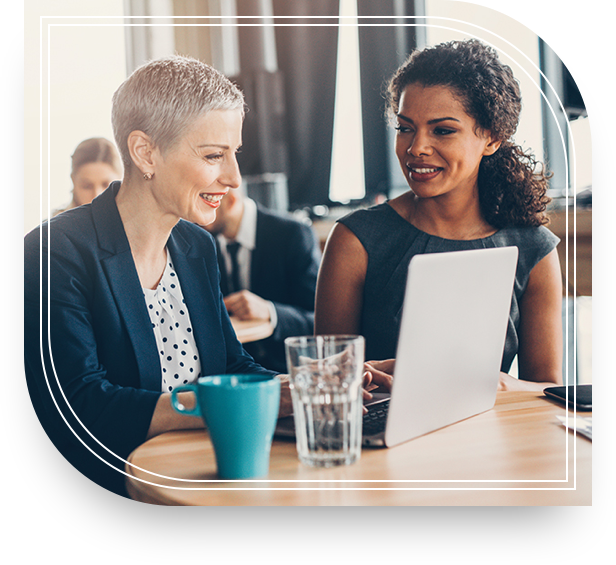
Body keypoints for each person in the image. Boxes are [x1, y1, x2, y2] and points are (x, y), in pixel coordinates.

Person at [24, 55, 292, 499]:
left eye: (234, 155)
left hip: (201, 470)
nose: (234, 177)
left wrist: (309, 385)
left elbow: (229, 365)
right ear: (145, 152)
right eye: (213, 155)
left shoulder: (196, 247)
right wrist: (237, 404)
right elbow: (81, 405)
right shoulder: (53, 252)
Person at [315, 40, 563, 392]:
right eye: (405, 128)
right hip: (383, 440)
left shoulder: (533, 247)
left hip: (495, 439)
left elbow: (547, 389)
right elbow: (326, 385)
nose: (416, 148)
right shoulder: (356, 241)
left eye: (442, 130)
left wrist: (500, 385)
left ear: (491, 138)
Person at [204, 185, 321, 373]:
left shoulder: (293, 235)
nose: (196, 215)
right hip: (233, 373)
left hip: (290, 370)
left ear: (231, 201)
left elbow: (320, 320)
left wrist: (270, 311)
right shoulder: (202, 241)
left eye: (206, 202)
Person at [52, 137, 122, 216]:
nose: (96, 195)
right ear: (73, 181)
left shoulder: (134, 224)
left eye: (106, 185)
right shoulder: (54, 226)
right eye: (87, 186)